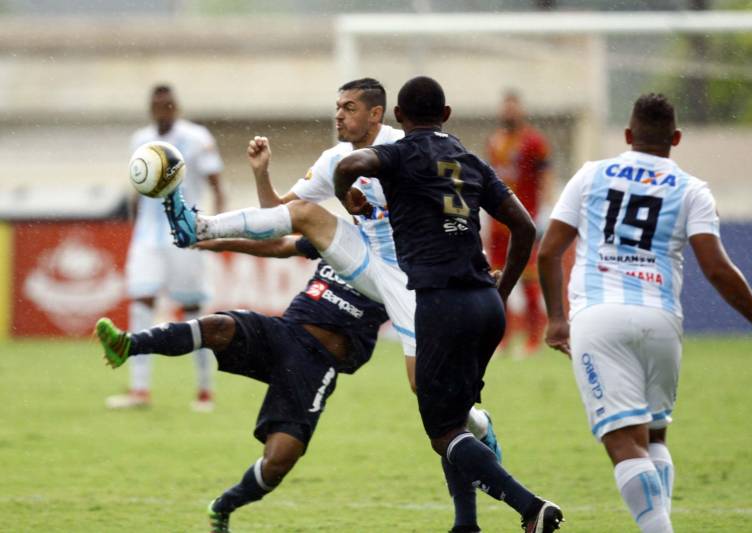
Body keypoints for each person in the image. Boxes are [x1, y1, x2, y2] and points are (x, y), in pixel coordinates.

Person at [161, 78, 502, 530]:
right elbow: (280, 222)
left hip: (417, 278)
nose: (339, 115)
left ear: (377, 114)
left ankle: (478, 424)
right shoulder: (334, 159)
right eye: (337, 107)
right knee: (304, 215)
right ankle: (198, 227)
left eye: (350, 107)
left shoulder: (409, 149)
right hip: (366, 265)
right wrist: (263, 174)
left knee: (429, 392)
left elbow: (454, 210)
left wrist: (473, 270)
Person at [536, 93, 752, 533]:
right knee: (653, 436)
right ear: (675, 138)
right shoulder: (691, 189)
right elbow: (716, 268)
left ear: (627, 135)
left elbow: (549, 252)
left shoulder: (591, 175)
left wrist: (557, 318)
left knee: (622, 443)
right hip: (661, 320)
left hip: (599, 316)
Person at [332, 76, 563, 533]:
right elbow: (526, 229)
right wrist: (501, 294)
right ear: (448, 114)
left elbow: (352, 163)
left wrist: (347, 194)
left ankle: (530, 507)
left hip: (442, 305)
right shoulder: (471, 158)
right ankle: (465, 525)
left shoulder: (398, 154)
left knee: (443, 432)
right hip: (485, 304)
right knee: (456, 421)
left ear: (398, 117)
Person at [96, 236, 390, 532]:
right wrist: (217, 238)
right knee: (219, 326)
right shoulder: (339, 236)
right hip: (284, 333)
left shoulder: (403, 263)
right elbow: (277, 242)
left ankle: (223, 506)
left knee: (279, 460)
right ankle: (127, 345)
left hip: (315, 364)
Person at [106, 84, 226, 411]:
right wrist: (134, 224)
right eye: (158, 105)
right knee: (141, 300)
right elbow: (136, 187)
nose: (164, 109)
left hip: (186, 234)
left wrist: (213, 228)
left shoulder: (197, 138)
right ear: (151, 108)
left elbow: (217, 184)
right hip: (148, 236)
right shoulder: (140, 140)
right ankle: (139, 389)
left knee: (191, 311)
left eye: (169, 103)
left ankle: (204, 389)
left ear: (177, 106)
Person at [486, 91, 553, 352]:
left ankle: (534, 337)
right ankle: (501, 338)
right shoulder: (494, 141)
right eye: (506, 108)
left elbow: (545, 174)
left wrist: (546, 208)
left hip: (524, 223)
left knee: (529, 282)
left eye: (513, 108)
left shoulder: (535, 142)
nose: (509, 113)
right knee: (495, 283)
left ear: (521, 111)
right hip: (497, 226)